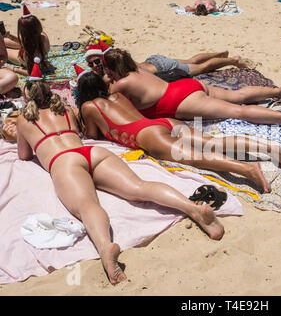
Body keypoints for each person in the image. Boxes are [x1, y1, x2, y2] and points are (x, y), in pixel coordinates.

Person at [16, 59, 225, 285]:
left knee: (87, 206)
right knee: (138, 187)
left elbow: (24, 155)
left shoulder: (23, 119)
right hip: (92, 153)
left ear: (27, 96)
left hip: (64, 161)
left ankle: (106, 248)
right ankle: (193, 208)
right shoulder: (67, 110)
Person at [76, 71, 281, 193]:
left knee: (194, 157)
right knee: (212, 142)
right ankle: (271, 149)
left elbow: (94, 135)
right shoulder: (118, 96)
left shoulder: (89, 107)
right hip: (163, 122)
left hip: (145, 134)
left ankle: (247, 169)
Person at [100, 46, 281, 130]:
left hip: (179, 101)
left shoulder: (120, 85)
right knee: (237, 96)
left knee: (238, 111)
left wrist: (106, 79)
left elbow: (102, 97)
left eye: (107, 70)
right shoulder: (139, 70)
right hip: (185, 87)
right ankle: (279, 92)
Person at [85, 43, 248, 84]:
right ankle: (220, 54)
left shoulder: (114, 66)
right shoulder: (116, 59)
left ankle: (232, 60)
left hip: (161, 67)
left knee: (201, 67)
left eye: (97, 61)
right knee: (191, 60)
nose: (95, 66)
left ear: (103, 58)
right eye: (90, 64)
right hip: (154, 61)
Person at [3, 2, 51, 76]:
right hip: (27, 47)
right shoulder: (42, 35)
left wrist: (12, 69)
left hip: (22, 57)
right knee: (4, 41)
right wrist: (11, 37)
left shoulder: (31, 54)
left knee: (3, 49)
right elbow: (25, 42)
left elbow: (32, 73)